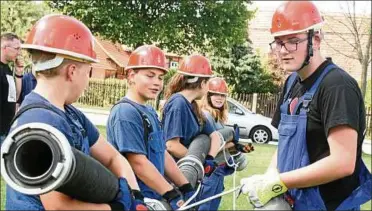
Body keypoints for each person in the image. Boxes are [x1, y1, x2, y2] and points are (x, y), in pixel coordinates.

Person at [6, 14, 147, 211]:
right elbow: (57, 206)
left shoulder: (69, 113)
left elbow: (114, 158)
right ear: (72, 71)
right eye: (88, 72)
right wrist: (114, 208)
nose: (88, 82)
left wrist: (135, 195)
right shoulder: (41, 122)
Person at [239, 1, 371, 210]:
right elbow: (285, 144)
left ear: (316, 39)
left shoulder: (337, 86)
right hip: (293, 202)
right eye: (278, 42)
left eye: (292, 41)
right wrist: (269, 177)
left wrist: (279, 182)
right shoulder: (291, 83)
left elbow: (343, 162)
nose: (283, 51)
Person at [107, 45, 195, 210]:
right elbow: (137, 162)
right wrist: (171, 194)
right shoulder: (125, 112)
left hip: (155, 195)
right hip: (138, 201)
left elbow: (162, 153)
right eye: (150, 76)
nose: (157, 83)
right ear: (131, 76)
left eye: (160, 77)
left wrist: (184, 186)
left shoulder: (149, 111)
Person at [199, 77, 254, 211]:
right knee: (204, 207)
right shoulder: (206, 115)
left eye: (223, 95)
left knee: (213, 206)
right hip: (210, 172)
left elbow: (222, 146)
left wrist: (238, 148)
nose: (220, 98)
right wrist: (233, 144)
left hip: (219, 170)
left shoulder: (217, 116)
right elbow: (209, 148)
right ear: (208, 96)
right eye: (216, 94)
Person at [0, 32, 24, 144]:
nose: (19, 53)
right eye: (16, 48)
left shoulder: (7, 69)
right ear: (5, 47)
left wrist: (19, 74)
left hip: (6, 130)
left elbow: (15, 96)